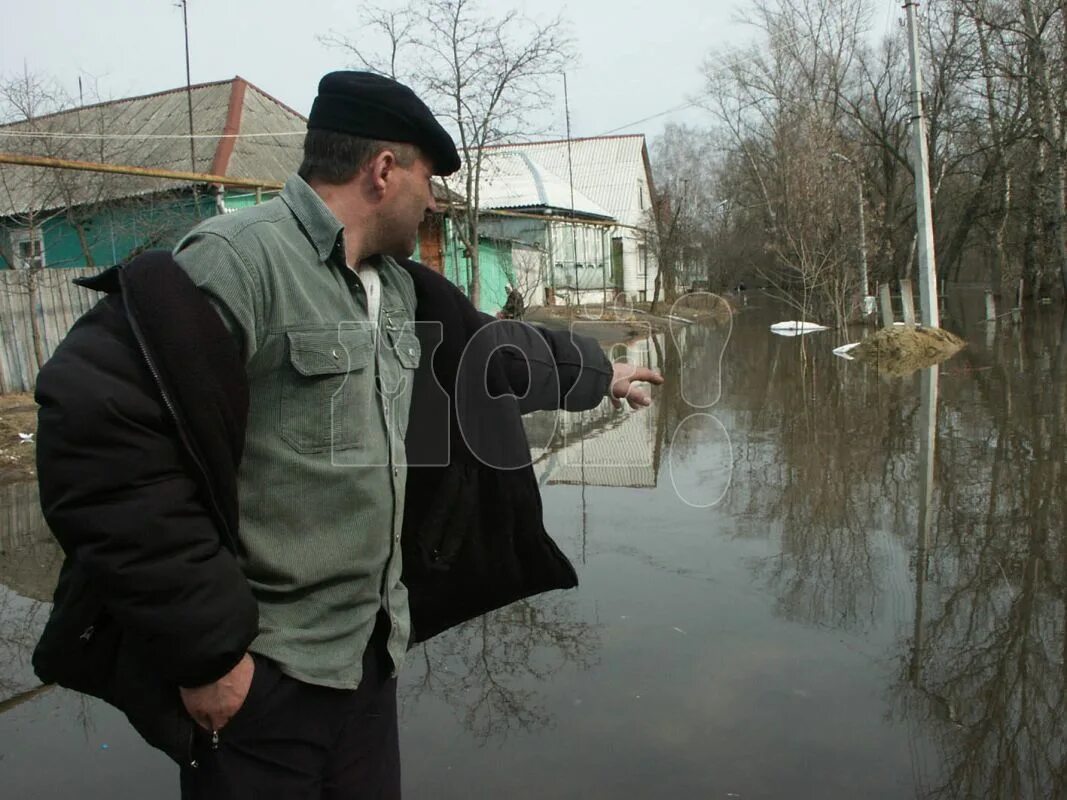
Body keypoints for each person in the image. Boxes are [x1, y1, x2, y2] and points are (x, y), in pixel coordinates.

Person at [32, 71, 661, 799]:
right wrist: (207, 656)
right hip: (262, 676)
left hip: (365, 660)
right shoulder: (237, 263)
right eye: (428, 178)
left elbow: (493, 356)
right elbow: (101, 448)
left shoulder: (396, 288)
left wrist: (599, 374)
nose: (433, 200)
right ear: (384, 170)